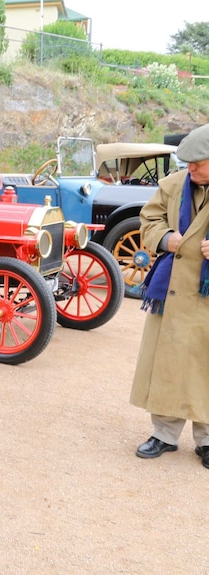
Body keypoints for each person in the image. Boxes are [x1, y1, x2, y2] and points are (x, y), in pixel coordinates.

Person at [132, 123, 209, 467]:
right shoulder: (172, 185)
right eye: (187, 163)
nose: (190, 169)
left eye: (197, 163)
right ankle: (163, 434)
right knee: (168, 362)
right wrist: (164, 239)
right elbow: (148, 220)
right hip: (174, 293)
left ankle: (207, 440)